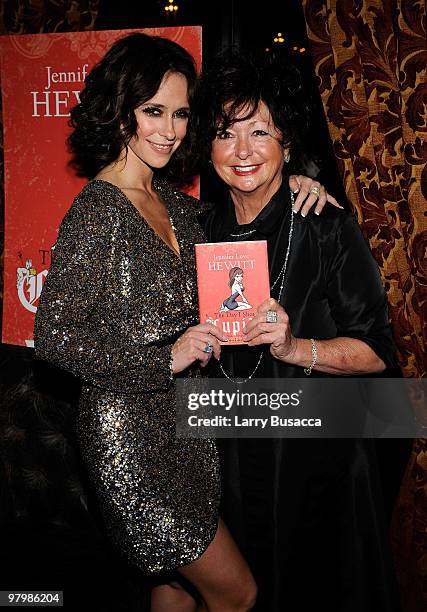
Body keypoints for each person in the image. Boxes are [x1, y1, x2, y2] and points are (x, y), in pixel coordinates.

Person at [33, 34, 334, 612]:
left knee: (173, 587)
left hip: (188, 432)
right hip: (131, 441)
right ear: (121, 112)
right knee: (238, 594)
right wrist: (163, 358)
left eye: (179, 113)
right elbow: (55, 339)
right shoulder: (97, 210)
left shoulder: (172, 202)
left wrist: (299, 179)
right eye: (152, 112)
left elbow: (238, 218)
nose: (169, 130)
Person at [196, 52, 400, 611]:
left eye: (260, 132)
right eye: (224, 134)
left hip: (314, 462)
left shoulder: (325, 224)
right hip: (229, 456)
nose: (242, 152)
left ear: (286, 142)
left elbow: (377, 351)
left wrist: (294, 347)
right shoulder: (196, 229)